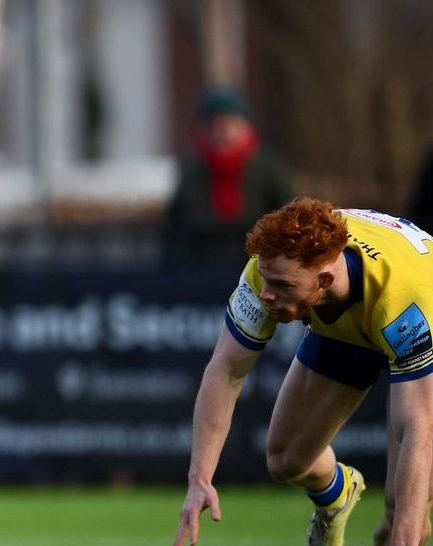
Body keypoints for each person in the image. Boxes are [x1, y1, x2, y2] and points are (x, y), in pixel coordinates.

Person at [174, 198, 433, 546]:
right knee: (287, 460)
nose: (267, 294)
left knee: (399, 516)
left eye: (282, 286)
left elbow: (419, 427)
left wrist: (405, 533)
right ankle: (338, 496)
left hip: (416, 316)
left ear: (325, 279)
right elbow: (226, 369)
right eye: (266, 279)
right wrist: (199, 478)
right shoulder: (266, 268)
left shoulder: (402, 299)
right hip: (358, 323)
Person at [162, 87, 294, 267]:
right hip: (204, 268)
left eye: (228, 123)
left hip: (259, 267)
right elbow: (175, 228)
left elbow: (289, 216)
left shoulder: (268, 169)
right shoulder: (192, 172)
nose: (220, 131)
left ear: (245, 126)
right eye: (213, 125)